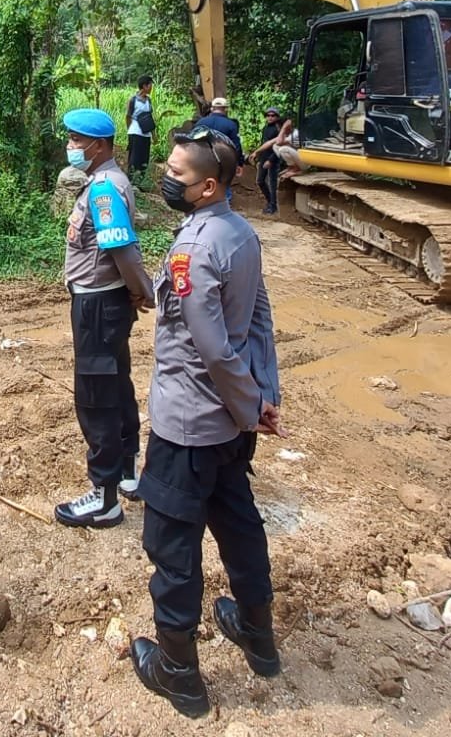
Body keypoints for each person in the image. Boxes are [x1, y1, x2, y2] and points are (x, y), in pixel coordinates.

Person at [130, 126, 285, 719]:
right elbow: (261, 318)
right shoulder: (241, 233)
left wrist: (252, 405)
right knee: (239, 520)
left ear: (209, 185)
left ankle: (179, 673)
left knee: (172, 545)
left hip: (188, 425)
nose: (167, 179)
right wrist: (262, 395)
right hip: (227, 427)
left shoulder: (193, 251)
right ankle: (257, 635)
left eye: (177, 174)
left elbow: (216, 350)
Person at [55, 108, 154, 529]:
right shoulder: (103, 183)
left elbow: (123, 252)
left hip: (98, 305)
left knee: (96, 396)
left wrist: (142, 289)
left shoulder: (103, 191)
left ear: (99, 146)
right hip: (104, 301)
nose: (71, 146)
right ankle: (129, 474)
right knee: (117, 384)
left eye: (77, 140)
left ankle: (104, 497)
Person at [124, 76, 155, 183]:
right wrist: (129, 130)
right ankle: (131, 181)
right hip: (135, 133)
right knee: (134, 159)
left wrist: (154, 135)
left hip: (146, 134)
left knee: (144, 159)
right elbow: (128, 116)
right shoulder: (133, 100)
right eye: (150, 85)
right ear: (144, 86)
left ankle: (141, 182)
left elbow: (150, 119)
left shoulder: (148, 101)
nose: (151, 88)